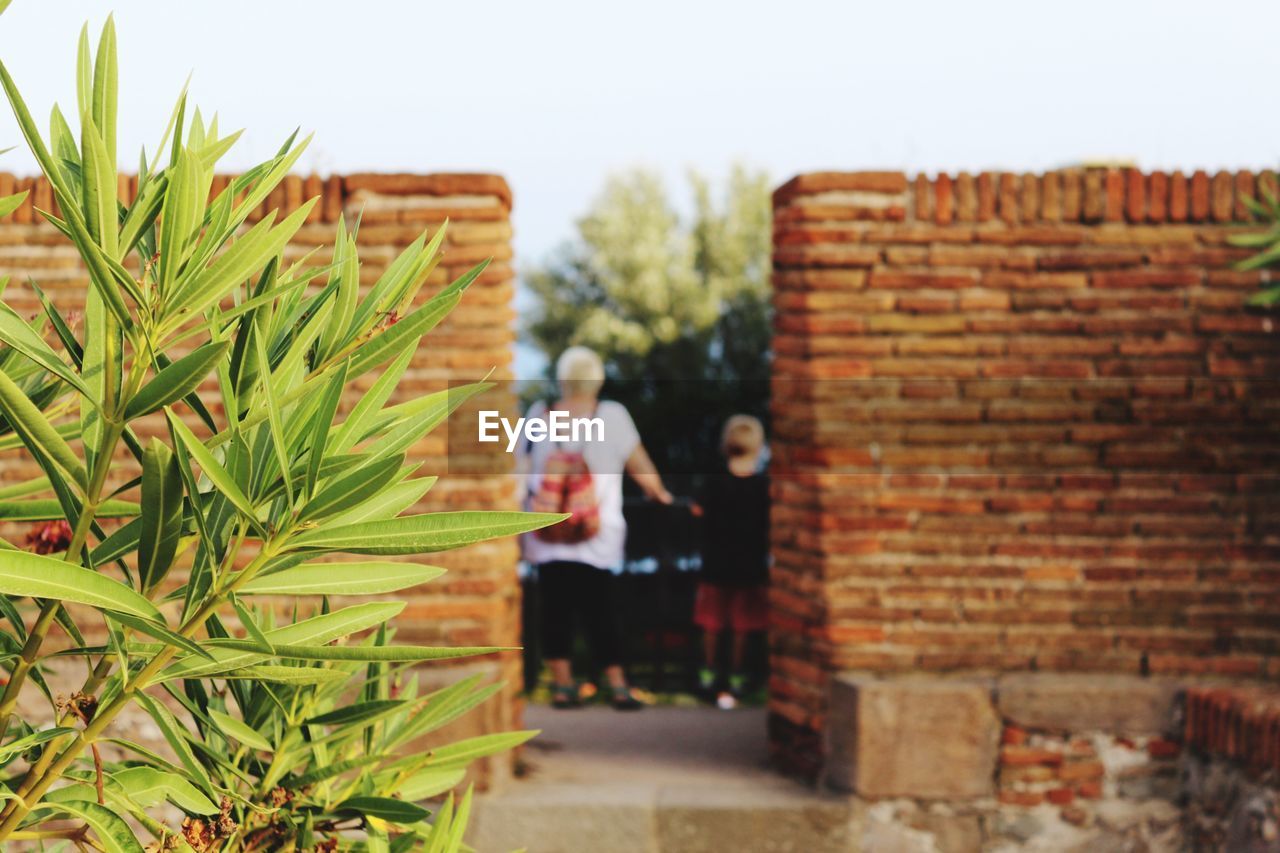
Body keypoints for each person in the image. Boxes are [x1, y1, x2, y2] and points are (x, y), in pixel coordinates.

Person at [521, 346, 674, 711]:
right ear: (597, 380)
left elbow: (519, 470)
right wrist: (661, 495)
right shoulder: (613, 415)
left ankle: (562, 685)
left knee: (554, 609)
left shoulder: (537, 415)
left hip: (547, 531)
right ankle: (618, 685)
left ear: (561, 380)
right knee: (601, 608)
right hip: (597, 534)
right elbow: (640, 465)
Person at [691, 415, 770, 710]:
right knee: (743, 625)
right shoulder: (763, 487)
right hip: (750, 566)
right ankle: (738, 675)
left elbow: (697, 510)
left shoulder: (713, 483)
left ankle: (708, 672)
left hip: (716, 563)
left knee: (712, 621)